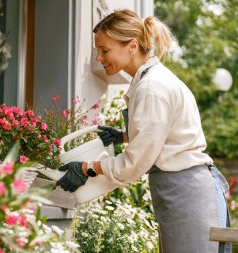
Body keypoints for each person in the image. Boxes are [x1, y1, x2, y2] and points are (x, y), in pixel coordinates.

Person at [56, 9, 231, 253]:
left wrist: (88, 168)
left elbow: (135, 163)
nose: (98, 57)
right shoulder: (149, 81)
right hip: (182, 190)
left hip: (187, 193)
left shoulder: (152, 88)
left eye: (104, 50)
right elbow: (167, 133)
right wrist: (124, 136)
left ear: (133, 45)